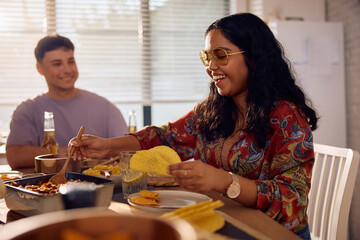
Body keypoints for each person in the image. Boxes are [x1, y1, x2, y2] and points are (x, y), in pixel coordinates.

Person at [69, 13, 318, 239]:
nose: (211, 67)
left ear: (253, 58)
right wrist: (106, 146)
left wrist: (222, 181)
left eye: (221, 55)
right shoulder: (215, 109)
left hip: (272, 232)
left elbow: (291, 199)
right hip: (229, 220)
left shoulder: (287, 116)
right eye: (208, 57)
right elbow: (165, 136)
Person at [6, 34, 127, 169]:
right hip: (47, 187)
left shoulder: (105, 107)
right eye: (57, 64)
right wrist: (74, 150)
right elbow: (15, 156)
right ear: (39, 69)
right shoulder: (27, 110)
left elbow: (127, 152)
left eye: (71, 61)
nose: (67, 70)